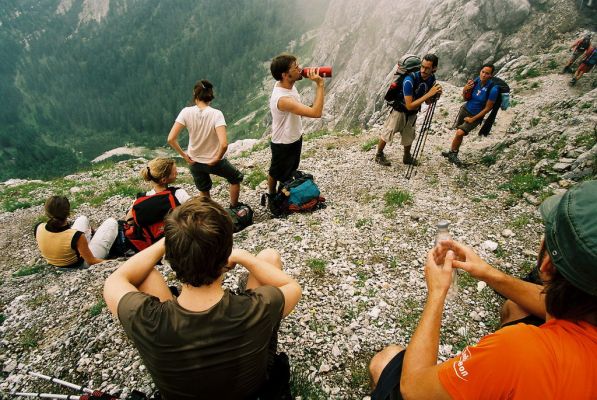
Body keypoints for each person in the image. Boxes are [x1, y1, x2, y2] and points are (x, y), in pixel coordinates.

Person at [369, 180, 597, 400]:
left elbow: (414, 390)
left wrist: (437, 292)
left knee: (384, 360)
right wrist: (488, 273)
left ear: (547, 265)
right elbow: (548, 304)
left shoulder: (516, 351)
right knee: (517, 306)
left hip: (511, 364)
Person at [103, 197, 302, 399]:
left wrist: (172, 240)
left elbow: (116, 279)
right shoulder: (259, 308)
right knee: (268, 257)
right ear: (226, 255)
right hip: (253, 391)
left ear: (170, 257)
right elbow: (292, 286)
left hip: (171, 354)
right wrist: (244, 257)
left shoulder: (143, 317)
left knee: (146, 274)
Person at [167, 80, 243, 209]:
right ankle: (234, 207)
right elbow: (224, 144)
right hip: (213, 161)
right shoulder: (216, 114)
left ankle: (210, 214)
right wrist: (217, 159)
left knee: (204, 189)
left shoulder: (186, 112)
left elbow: (171, 139)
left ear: (195, 95)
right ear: (210, 96)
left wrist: (184, 156)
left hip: (194, 161)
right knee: (236, 178)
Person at [266, 53, 325, 210]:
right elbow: (316, 113)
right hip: (283, 142)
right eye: (296, 67)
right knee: (277, 171)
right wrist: (320, 85)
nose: (300, 69)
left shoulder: (285, 85)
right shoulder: (283, 99)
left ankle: (282, 192)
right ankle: (273, 198)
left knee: (288, 169)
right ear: (285, 75)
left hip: (294, 136)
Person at [376, 54, 442, 166]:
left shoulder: (431, 79)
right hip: (399, 110)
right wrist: (429, 94)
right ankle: (378, 154)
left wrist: (435, 96)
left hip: (413, 113)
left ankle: (407, 157)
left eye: (427, 68)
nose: (423, 70)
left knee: (409, 135)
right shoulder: (409, 80)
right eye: (422, 66)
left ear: (434, 69)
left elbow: (427, 102)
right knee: (388, 132)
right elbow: (409, 105)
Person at [35, 195, 118, 268]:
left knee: (82, 219)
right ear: (68, 213)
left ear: (47, 212)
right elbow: (92, 261)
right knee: (111, 222)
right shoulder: (76, 236)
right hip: (80, 264)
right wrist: (116, 263)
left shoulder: (38, 227)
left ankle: (85, 245)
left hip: (54, 261)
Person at [442, 63, 499, 166]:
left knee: (460, 133)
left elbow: (488, 108)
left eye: (487, 73)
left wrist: (473, 119)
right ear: (480, 71)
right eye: (483, 72)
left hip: (475, 116)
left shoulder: (493, 89)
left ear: (491, 75)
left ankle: (453, 154)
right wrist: (465, 88)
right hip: (465, 109)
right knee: (458, 132)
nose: (484, 75)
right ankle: (452, 152)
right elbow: (465, 97)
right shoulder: (476, 81)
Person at [125, 157, 191, 221]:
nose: (177, 173)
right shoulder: (179, 194)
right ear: (164, 180)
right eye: (174, 173)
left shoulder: (142, 199)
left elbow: (129, 220)